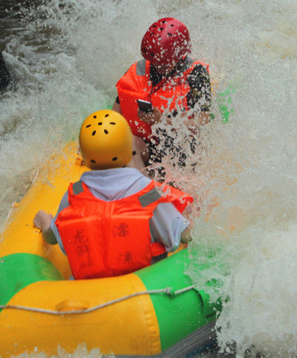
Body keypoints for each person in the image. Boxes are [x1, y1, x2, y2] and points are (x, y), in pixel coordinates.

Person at [33, 110, 193, 280]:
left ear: (84, 155)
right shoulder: (146, 192)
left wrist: (44, 222)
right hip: (143, 289)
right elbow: (184, 235)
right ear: (128, 150)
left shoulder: (75, 194)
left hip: (87, 295)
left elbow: (51, 236)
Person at [112, 17, 212, 171]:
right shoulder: (138, 70)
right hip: (146, 148)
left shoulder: (197, 75)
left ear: (179, 56)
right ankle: (141, 186)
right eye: (154, 63)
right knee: (130, 142)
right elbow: (114, 114)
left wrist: (163, 121)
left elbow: (203, 122)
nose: (158, 68)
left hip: (181, 147)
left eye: (163, 65)